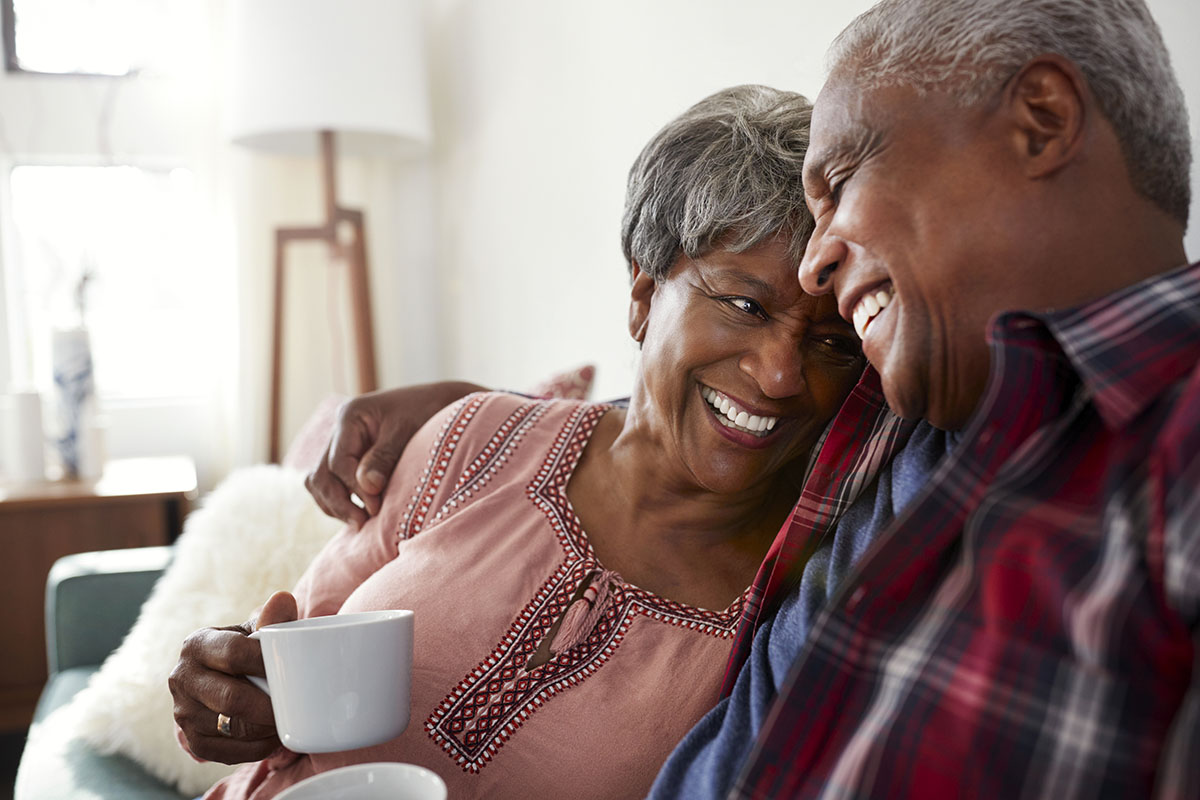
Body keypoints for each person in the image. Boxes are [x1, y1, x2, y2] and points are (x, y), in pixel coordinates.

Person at [315, 1, 1200, 797]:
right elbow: (649, 435)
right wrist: (467, 419)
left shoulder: (1158, 453)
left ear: (1041, 122)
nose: (819, 261)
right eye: (745, 300)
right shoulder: (906, 431)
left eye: (843, 177)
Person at [169, 85, 869, 800]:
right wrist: (226, 689)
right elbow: (282, 653)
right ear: (643, 291)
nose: (783, 374)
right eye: (745, 306)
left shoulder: (797, 609)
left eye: (832, 342)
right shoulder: (474, 438)